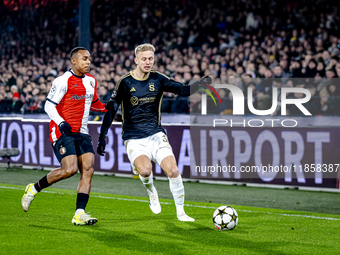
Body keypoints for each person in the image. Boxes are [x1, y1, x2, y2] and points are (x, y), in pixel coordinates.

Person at [97, 43, 211, 222]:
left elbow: (183, 90)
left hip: (156, 134)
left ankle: (181, 212)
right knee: (144, 170)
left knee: (173, 171)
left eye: (151, 58)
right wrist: (102, 136)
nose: (148, 62)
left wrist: (200, 84)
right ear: (136, 60)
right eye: (144, 59)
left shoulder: (158, 79)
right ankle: (152, 193)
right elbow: (111, 110)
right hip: (134, 137)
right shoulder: (125, 82)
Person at [21, 47, 107, 225]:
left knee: (88, 169)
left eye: (89, 59)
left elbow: (95, 103)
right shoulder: (62, 81)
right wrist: (61, 122)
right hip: (62, 131)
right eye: (84, 59)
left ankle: (79, 214)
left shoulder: (91, 81)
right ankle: (34, 188)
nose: (88, 62)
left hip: (82, 132)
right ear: (73, 61)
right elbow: (48, 106)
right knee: (70, 169)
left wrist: (108, 107)